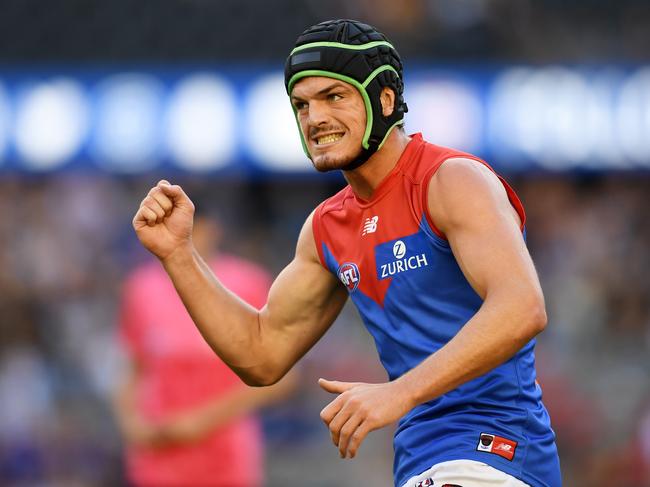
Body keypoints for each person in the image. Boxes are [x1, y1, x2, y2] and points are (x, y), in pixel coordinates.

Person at [132, 19, 561, 487]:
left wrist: (400, 392)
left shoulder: (451, 180)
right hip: (421, 458)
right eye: (301, 104)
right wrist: (178, 254)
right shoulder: (326, 228)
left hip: (494, 449)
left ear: (385, 101)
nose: (314, 118)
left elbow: (522, 306)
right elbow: (261, 355)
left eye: (334, 97)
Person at [114, 212, 294, 487]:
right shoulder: (143, 287)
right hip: (159, 455)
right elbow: (131, 366)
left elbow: (282, 376)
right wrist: (131, 422)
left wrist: (203, 420)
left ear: (212, 229)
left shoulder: (247, 282)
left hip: (225, 458)